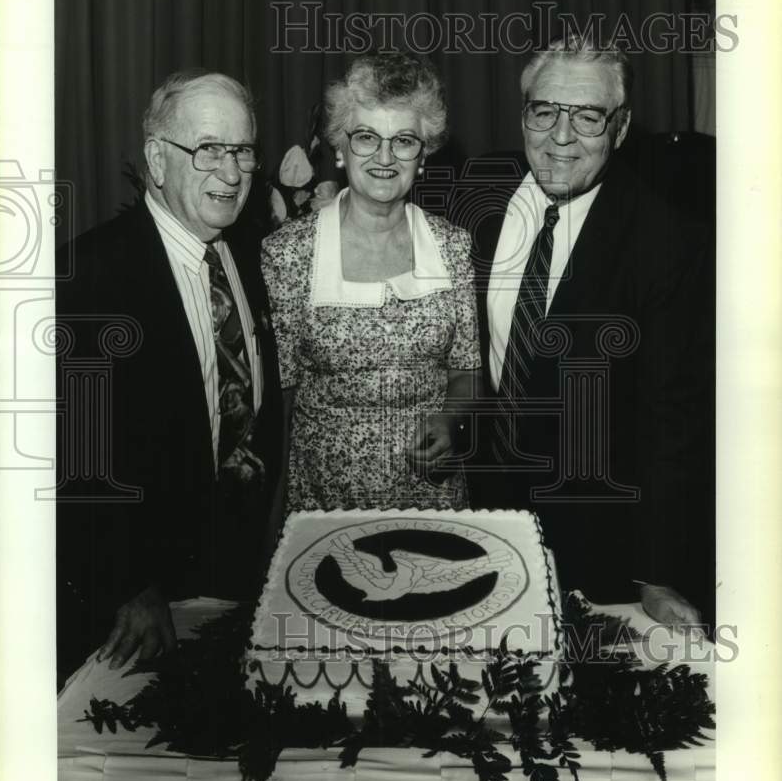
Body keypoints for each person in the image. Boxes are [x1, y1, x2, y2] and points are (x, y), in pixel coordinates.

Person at [457, 36, 714, 628]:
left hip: (597, 551)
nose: (562, 137)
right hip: (478, 524)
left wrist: (656, 574)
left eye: (588, 116)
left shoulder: (668, 242)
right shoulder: (477, 200)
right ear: (523, 114)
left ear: (620, 128)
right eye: (545, 111)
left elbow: (672, 419)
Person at [55, 70, 283, 678]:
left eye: (241, 152)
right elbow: (73, 455)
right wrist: (128, 584)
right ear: (157, 159)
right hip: (134, 611)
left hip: (235, 581)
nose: (231, 174)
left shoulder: (253, 257)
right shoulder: (88, 276)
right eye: (208, 150)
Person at [261, 52, 480, 513]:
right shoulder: (287, 254)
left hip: (433, 501)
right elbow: (277, 403)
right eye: (366, 137)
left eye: (403, 140)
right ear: (339, 149)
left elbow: (467, 371)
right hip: (323, 509)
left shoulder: (454, 248)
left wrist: (450, 417)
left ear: (423, 155)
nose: (384, 157)